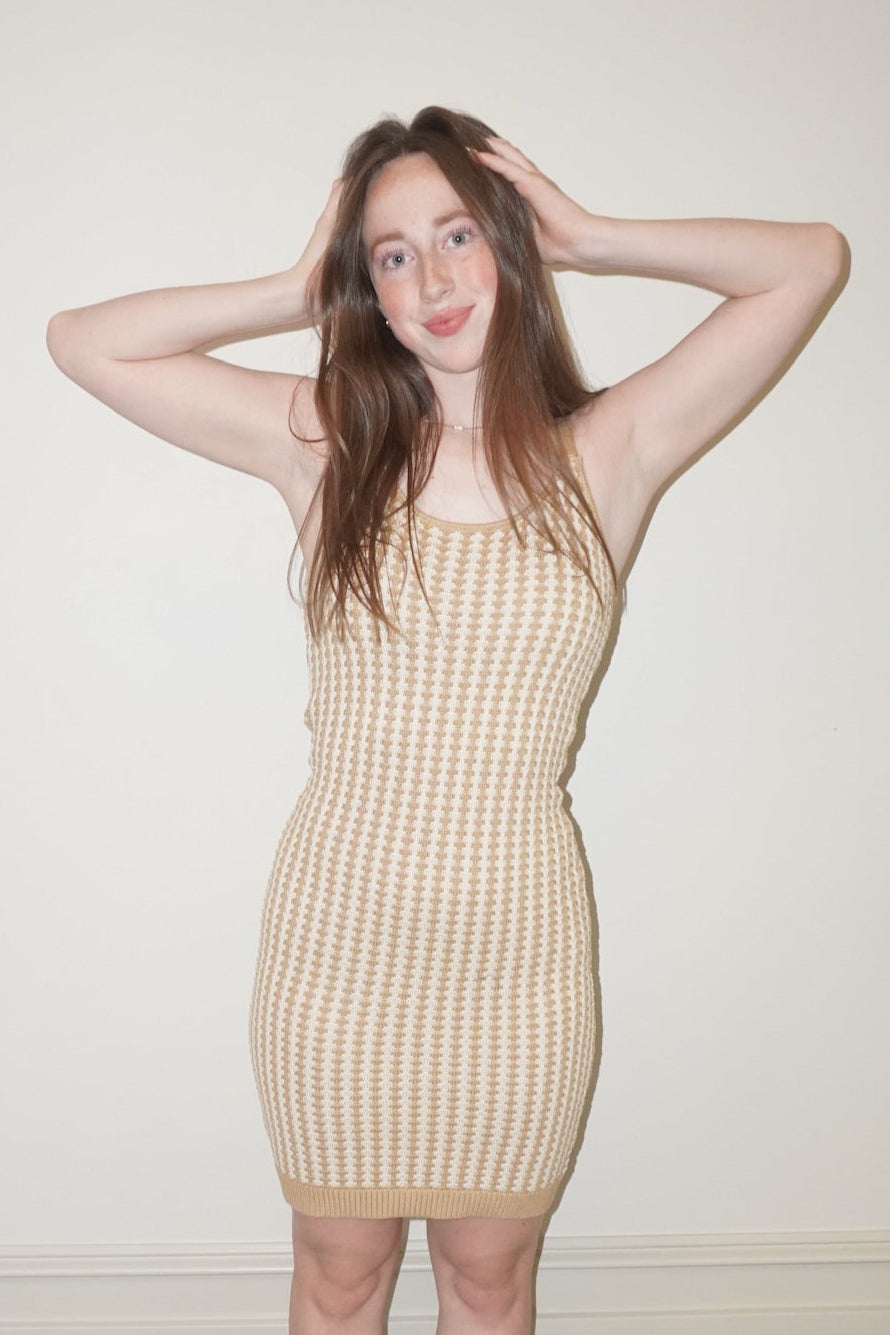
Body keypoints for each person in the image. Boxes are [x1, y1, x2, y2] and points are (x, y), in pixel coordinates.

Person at [46, 106, 846, 1335]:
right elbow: (82, 341)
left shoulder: (606, 454)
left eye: (459, 234)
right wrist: (290, 285)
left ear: (508, 246)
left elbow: (808, 262)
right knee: (339, 1278)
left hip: (518, 960)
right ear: (365, 287)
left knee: (486, 1281)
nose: (430, 279)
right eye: (392, 254)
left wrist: (591, 237)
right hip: (337, 950)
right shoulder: (328, 443)